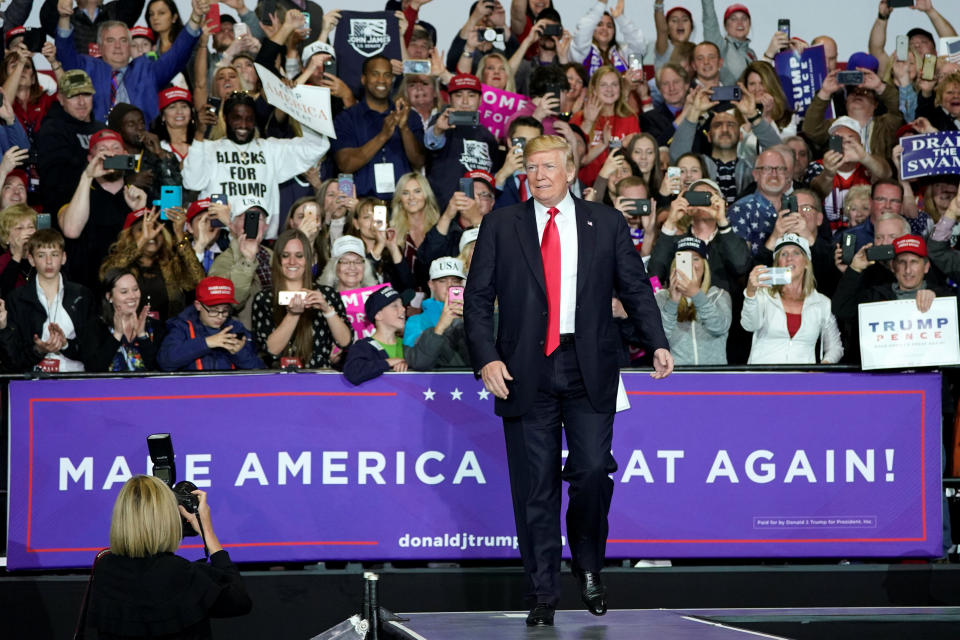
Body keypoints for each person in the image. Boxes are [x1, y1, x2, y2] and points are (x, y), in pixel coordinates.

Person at [463, 135, 673, 626]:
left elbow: (636, 288)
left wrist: (658, 341)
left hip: (589, 366)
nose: (538, 176)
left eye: (548, 166)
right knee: (534, 489)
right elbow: (476, 301)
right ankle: (542, 593)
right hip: (522, 372)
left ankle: (588, 563)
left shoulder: (606, 222)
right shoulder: (500, 225)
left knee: (594, 471)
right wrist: (486, 359)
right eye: (530, 167)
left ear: (570, 169)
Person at [86, 475, 251, 638]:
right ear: (168, 518)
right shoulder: (181, 573)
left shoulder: (104, 567)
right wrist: (207, 531)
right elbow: (238, 601)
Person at [182, 91, 330, 240]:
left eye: (249, 119)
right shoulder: (208, 148)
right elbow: (192, 182)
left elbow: (318, 146)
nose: (243, 125)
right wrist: (199, 134)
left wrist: (293, 100)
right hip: (219, 239)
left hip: (262, 240)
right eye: (237, 118)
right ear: (226, 118)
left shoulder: (270, 149)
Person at [53, 0, 207, 123]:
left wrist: (195, 17)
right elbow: (65, 54)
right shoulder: (87, 67)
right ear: (100, 46)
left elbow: (177, 54)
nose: (118, 46)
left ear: (130, 45)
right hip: (100, 143)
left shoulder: (146, 69)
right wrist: (64, 18)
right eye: (111, 40)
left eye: (123, 40)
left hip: (141, 145)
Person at [0, 228, 99, 373]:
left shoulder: (82, 296)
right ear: (31, 259)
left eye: (54, 255)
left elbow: (94, 353)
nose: (49, 262)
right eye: (41, 255)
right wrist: (38, 350)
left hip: (76, 381)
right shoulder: (17, 298)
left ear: (64, 258)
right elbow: (12, 360)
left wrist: (65, 345)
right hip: (32, 383)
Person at [252, 229, 353, 369]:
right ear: (278, 260)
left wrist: (327, 309)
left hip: (319, 381)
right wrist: (293, 315)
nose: (292, 262)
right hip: (279, 381)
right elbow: (271, 351)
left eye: (299, 256)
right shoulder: (264, 299)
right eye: (285, 255)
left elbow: (345, 342)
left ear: (309, 259)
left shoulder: (327, 295)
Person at [331, 55, 425, 201]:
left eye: (387, 75)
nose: (381, 80)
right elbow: (345, 164)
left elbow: (419, 161)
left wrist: (404, 128)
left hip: (402, 206)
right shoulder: (346, 119)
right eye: (375, 74)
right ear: (363, 79)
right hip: (361, 207)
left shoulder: (409, 115)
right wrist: (383, 136)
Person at [741, 233, 843, 364]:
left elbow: (836, 347)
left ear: (806, 262)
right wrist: (750, 293)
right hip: (763, 378)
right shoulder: (763, 294)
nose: (789, 258)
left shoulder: (822, 303)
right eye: (783, 254)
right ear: (778, 263)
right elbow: (749, 325)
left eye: (796, 253)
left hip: (802, 381)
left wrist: (823, 367)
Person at [98, 206, 205, 325]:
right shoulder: (121, 264)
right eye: (142, 229)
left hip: (168, 335)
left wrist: (180, 236)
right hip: (128, 332)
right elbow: (108, 273)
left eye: (155, 228)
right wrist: (143, 239)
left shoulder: (171, 265)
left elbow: (199, 281)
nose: (151, 234)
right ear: (129, 236)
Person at [424, 73, 501, 209]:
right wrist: (438, 130)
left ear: (480, 100)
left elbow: (492, 178)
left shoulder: (487, 136)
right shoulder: (442, 122)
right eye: (459, 95)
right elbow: (431, 142)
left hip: (477, 213)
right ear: (449, 99)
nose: (465, 102)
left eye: (471, 96)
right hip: (443, 209)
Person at [35, 69, 105, 217]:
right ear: (60, 98)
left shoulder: (102, 129)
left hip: (102, 209)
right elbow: (56, 180)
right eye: (73, 96)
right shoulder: (51, 130)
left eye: (86, 94)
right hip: (66, 211)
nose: (81, 102)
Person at [158, 275, 263, 371]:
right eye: (213, 310)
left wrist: (239, 353)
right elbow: (165, 362)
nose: (220, 316)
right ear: (198, 305)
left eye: (225, 310)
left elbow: (258, 368)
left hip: (228, 388)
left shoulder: (235, 328)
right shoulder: (182, 326)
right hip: (193, 389)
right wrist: (207, 343)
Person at [654, 236, 731, 365]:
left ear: (704, 265)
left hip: (714, 375)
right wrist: (673, 302)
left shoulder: (719, 295)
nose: (690, 264)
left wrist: (696, 294)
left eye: (695, 258)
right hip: (676, 375)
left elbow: (719, 327)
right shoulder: (661, 297)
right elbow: (659, 339)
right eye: (684, 259)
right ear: (675, 264)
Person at [570, 64, 640, 187]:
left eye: (614, 84)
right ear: (594, 89)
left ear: (620, 88)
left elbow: (636, 161)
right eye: (603, 85)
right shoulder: (579, 117)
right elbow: (571, 158)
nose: (609, 89)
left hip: (618, 186)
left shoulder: (630, 118)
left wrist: (625, 147)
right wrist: (588, 123)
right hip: (584, 186)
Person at [91, 267, 163, 372]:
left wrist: (142, 335)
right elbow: (94, 370)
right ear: (109, 297)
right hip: (109, 388)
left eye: (135, 289)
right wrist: (117, 335)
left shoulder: (153, 326)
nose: (133, 296)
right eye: (124, 292)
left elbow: (160, 369)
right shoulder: (96, 327)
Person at [343, 284, 407, 384]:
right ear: (378, 315)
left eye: (402, 305)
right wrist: (389, 362)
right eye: (395, 305)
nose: (403, 309)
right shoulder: (363, 346)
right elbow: (352, 372)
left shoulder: (409, 344)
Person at [570, 0, 646, 78]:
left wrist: (620, 18)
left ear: (614, 32)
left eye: (609, 26)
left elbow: (639, 45)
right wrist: (601, 4)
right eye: (599, 24)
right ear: (592, 28)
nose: (604, 28)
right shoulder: (582, 52)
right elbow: (582, 32)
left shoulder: (622, 53)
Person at [0, 203, 35, 297]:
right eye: (19, 228)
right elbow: (4, 293)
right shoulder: (2, 262)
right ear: (6, 237)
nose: (27, 232)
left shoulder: (41, 257)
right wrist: (18, 253)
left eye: (31, 227)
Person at [652, 4, 694, 71]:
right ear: (667, 29)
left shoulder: (697, 50)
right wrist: (658, 3)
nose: (680, 23)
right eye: (674, 20)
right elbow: (661, 31)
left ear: (691, 28)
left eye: (685, 20)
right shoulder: (664, 49)